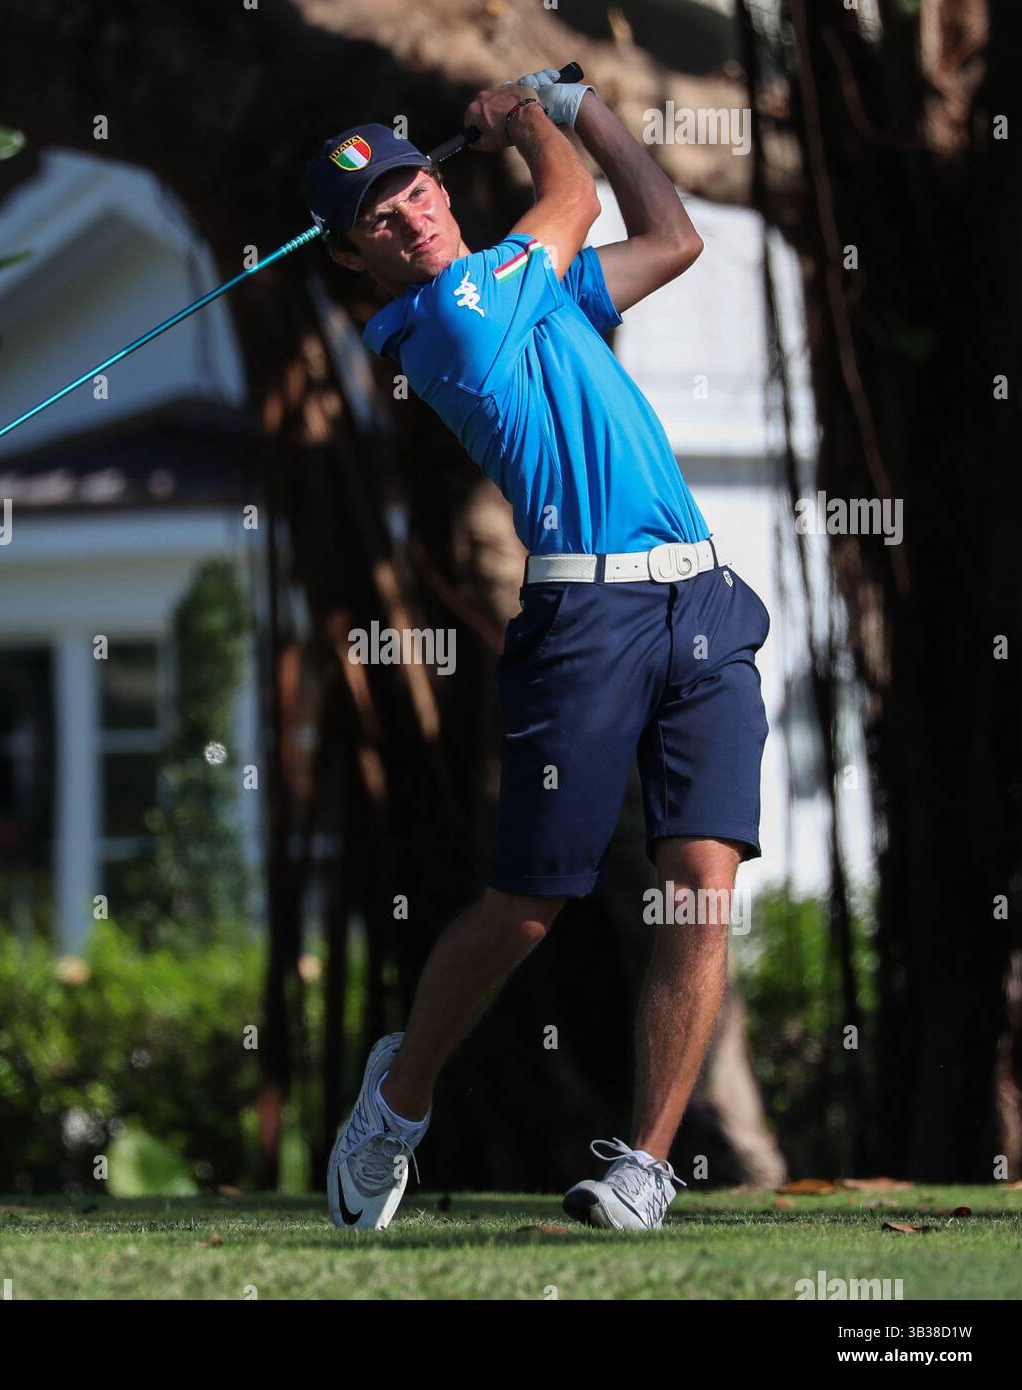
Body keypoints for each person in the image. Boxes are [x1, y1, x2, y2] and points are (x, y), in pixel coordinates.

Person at [305, 69, 770, 1232]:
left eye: (414, 187)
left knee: (699, 890)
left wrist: (591, 107)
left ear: (438, 192)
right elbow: (564, 198)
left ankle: (644, 1167)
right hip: (584, 620)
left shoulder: (541, 295)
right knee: (527, 903)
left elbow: (669, 236)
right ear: (354, 259)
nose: (409, 211)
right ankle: (396, 1098)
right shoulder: (451, 319)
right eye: (378, 216)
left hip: (699, 600)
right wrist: (532, 121)